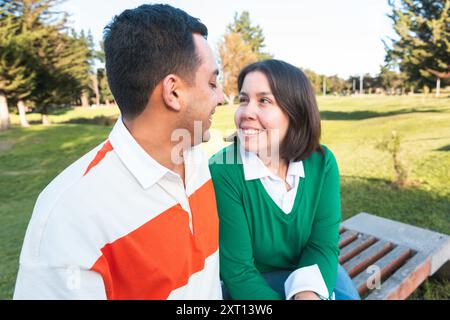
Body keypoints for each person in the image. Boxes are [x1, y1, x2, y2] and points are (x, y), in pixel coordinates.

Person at [14, 4, 224, 299]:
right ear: (173, 92)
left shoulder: (196, 160)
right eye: (213, 83)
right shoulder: (67, 216)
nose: (222, 97)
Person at [209, 59, 360, 300]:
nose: (246, 112)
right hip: (251, 286)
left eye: (264, 101)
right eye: (244, 99)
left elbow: (322, 245)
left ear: (295, 112)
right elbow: (238, 272)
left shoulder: (322, 163)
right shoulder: (223, 171)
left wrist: (307, 294)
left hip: (311, 271)